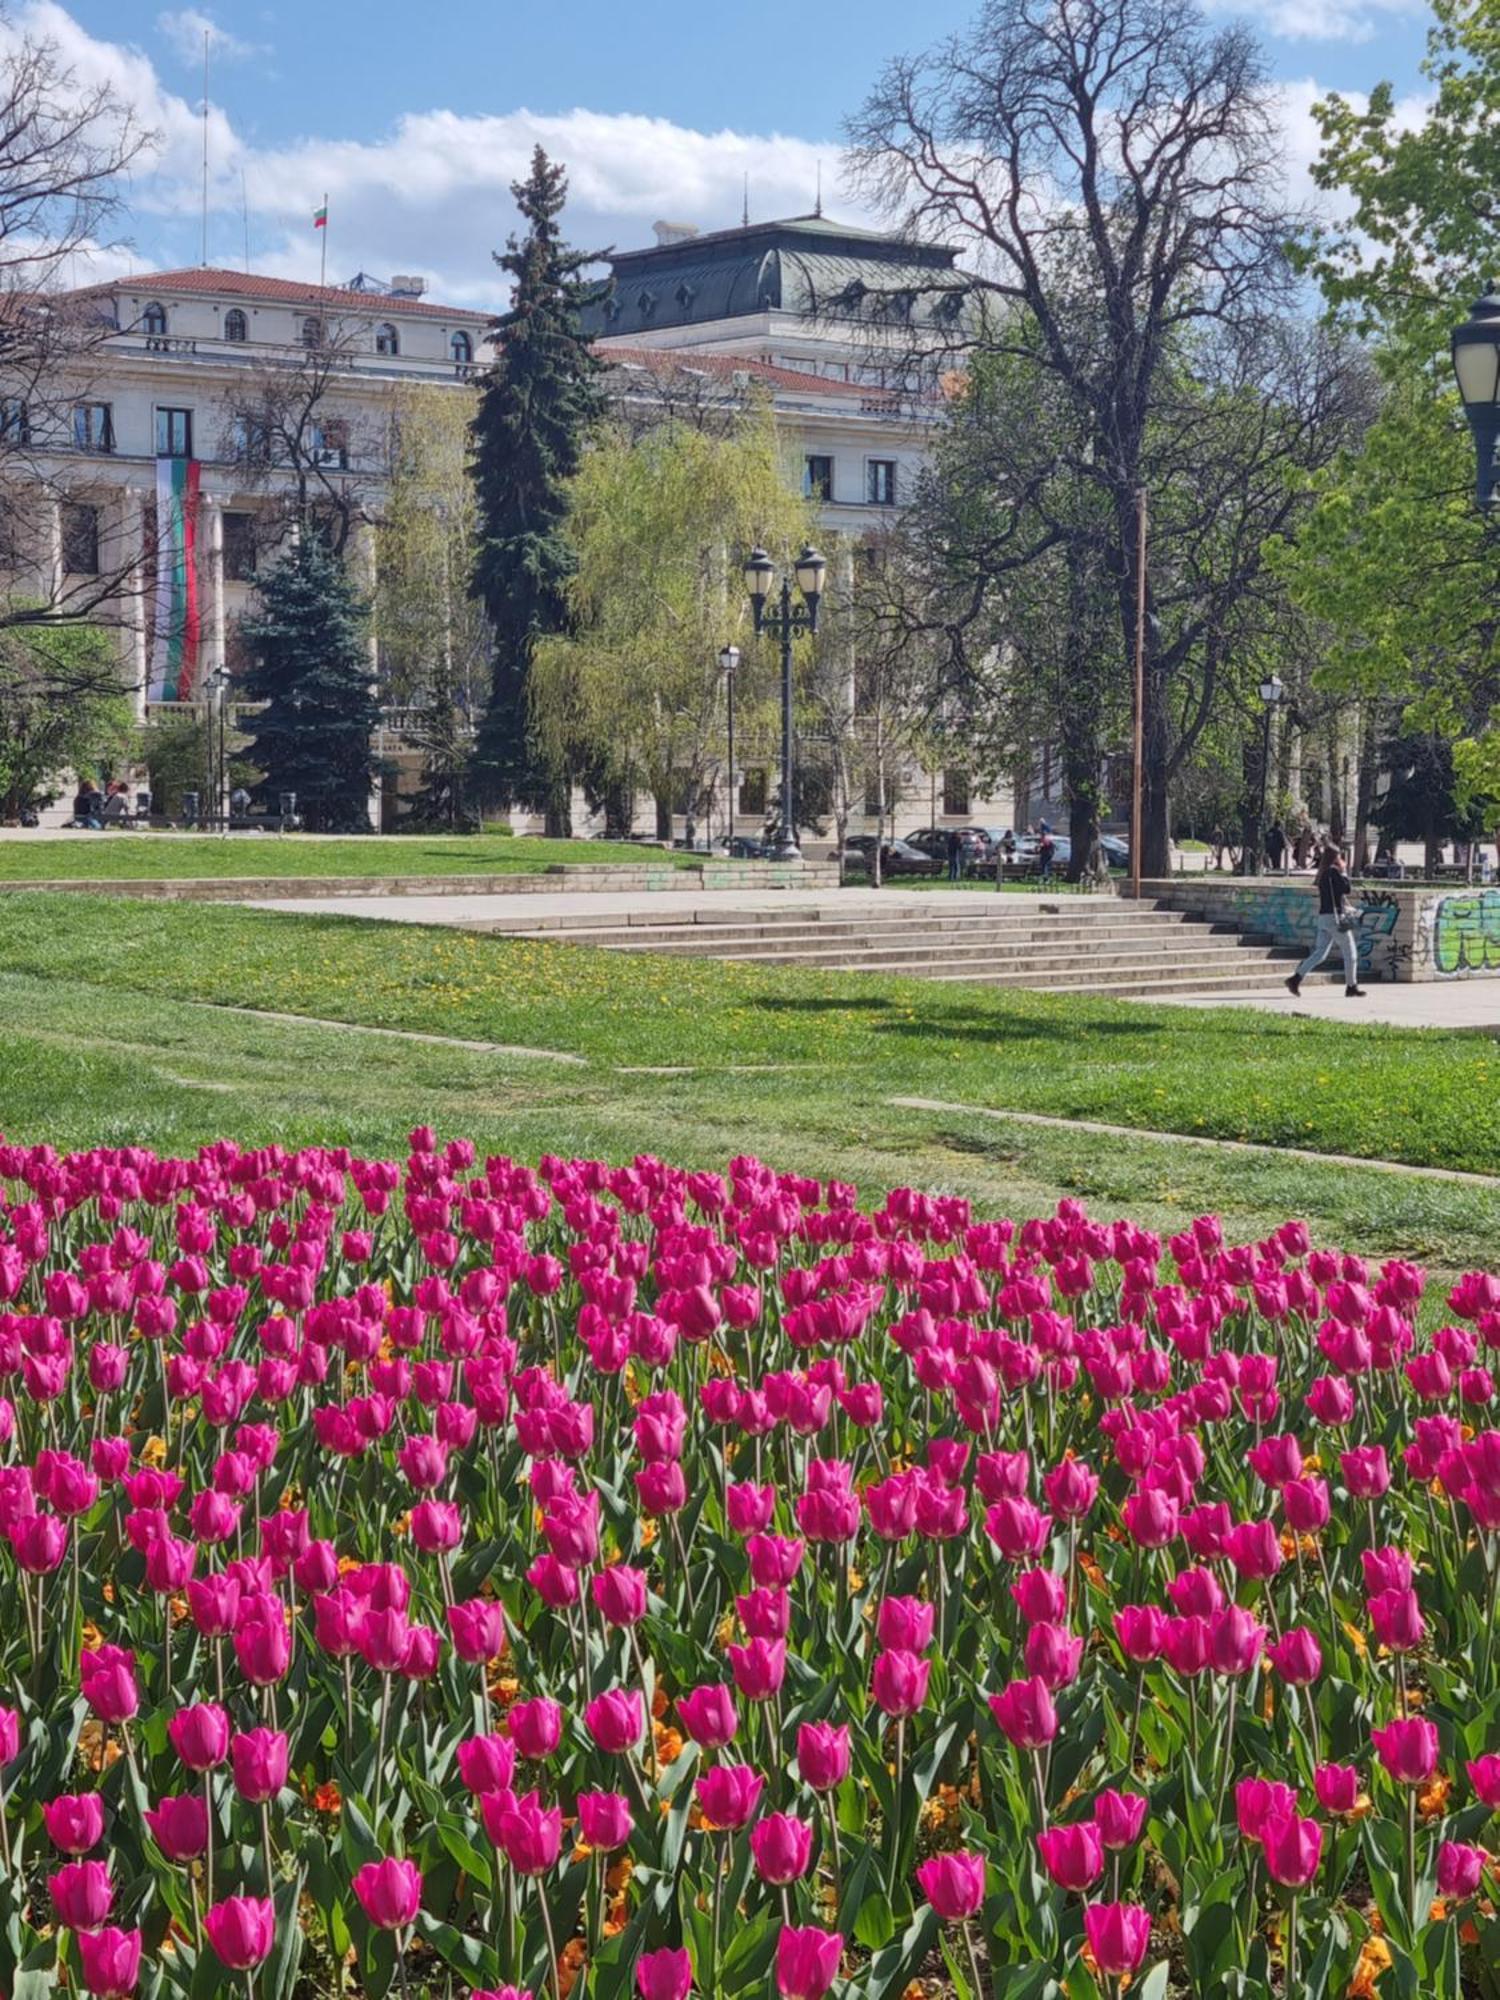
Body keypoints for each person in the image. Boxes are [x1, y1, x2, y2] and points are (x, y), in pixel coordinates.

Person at [1286, 843, 1366, 999]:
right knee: (1350, 953)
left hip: (1324, 918)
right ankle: (1351, 986)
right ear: (1335, 857)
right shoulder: (1334, 872)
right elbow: (1346, 889)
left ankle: (1295, 979)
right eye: (1340, 856)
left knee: (1320, 953)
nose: (1341, 859)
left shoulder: (1323, 873)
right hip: (1335, 919)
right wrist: (1344, 872)